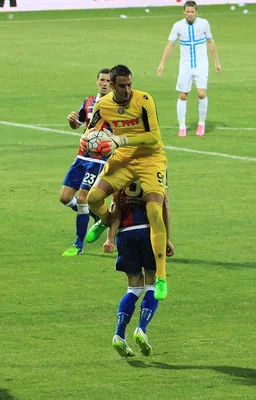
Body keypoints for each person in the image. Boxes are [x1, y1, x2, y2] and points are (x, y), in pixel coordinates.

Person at [85, 64, 169, 300]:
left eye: (129, 84)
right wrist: (88, 141)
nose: (127, 90)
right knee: (93, 198)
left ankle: (161, 277)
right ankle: (106, 220)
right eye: (122, 86)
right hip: (123, 159)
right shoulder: (103, 106)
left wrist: (119, 139)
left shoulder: (144, 100)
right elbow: (91, 133)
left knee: (154, 212)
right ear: (111, 85)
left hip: (150, 159)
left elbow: (154, 138)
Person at [103, 181, 174, 357]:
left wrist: (110, 238)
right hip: (149, 232)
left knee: (133, 287)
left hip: (126, 235)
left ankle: (119, 335)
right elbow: (163, 204)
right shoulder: (153, 170)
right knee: (152, 283)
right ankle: (141, 329)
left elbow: (115, 210)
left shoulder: (122, 175)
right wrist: (166, 238)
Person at [60, 69, 112, 256]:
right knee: (65, 198)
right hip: (81, 156)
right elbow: (79, 124)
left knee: (82, 199)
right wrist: (72, 121)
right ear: (97, 81)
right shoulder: (89, 102)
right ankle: (96, 215)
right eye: (102, 80)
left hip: (99, 159)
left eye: (108, 80)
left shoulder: (116, 106)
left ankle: (78, 245)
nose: (105, 83)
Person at [156, 0, 221, 137]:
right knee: (182, 95)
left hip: (201, 64)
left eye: (192, 12)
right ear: (184, 12)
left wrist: (216, 61)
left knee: (201, 93)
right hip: (185, 66)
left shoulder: (204, 24)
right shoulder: (178, 26)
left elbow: (210, 41)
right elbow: (170, 45)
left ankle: (201, 124)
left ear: (196, 12)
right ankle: (182, 126)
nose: (190, 14)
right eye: (188, 11)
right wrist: (162, 63)